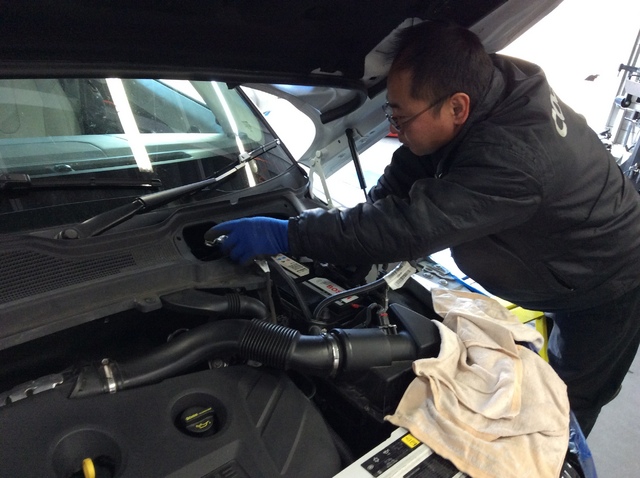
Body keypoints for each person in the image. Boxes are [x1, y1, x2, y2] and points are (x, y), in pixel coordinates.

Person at [210, 21, 640, 437]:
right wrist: (357, 228)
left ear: (457, 107)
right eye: (390, 112)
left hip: (608, 277)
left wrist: (289, 234)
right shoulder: (487, 81)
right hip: (562, 246)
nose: (395, 129)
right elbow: (415, 162)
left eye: (401, 117)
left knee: (566, 399)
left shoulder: (514, 161)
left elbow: (411, 228)